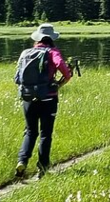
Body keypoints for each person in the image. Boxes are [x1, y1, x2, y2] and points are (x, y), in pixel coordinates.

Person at [14, 23, 73, 178]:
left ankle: (22, 161)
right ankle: (42, 167)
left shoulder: (26, 52)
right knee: (46, 133)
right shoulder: (52, 52)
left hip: (28, 99)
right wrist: (64, 79)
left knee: (30, 131)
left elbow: (17, 79)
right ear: (51, 38)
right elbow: (62, 66)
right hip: (48, 98)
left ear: (37, 38)